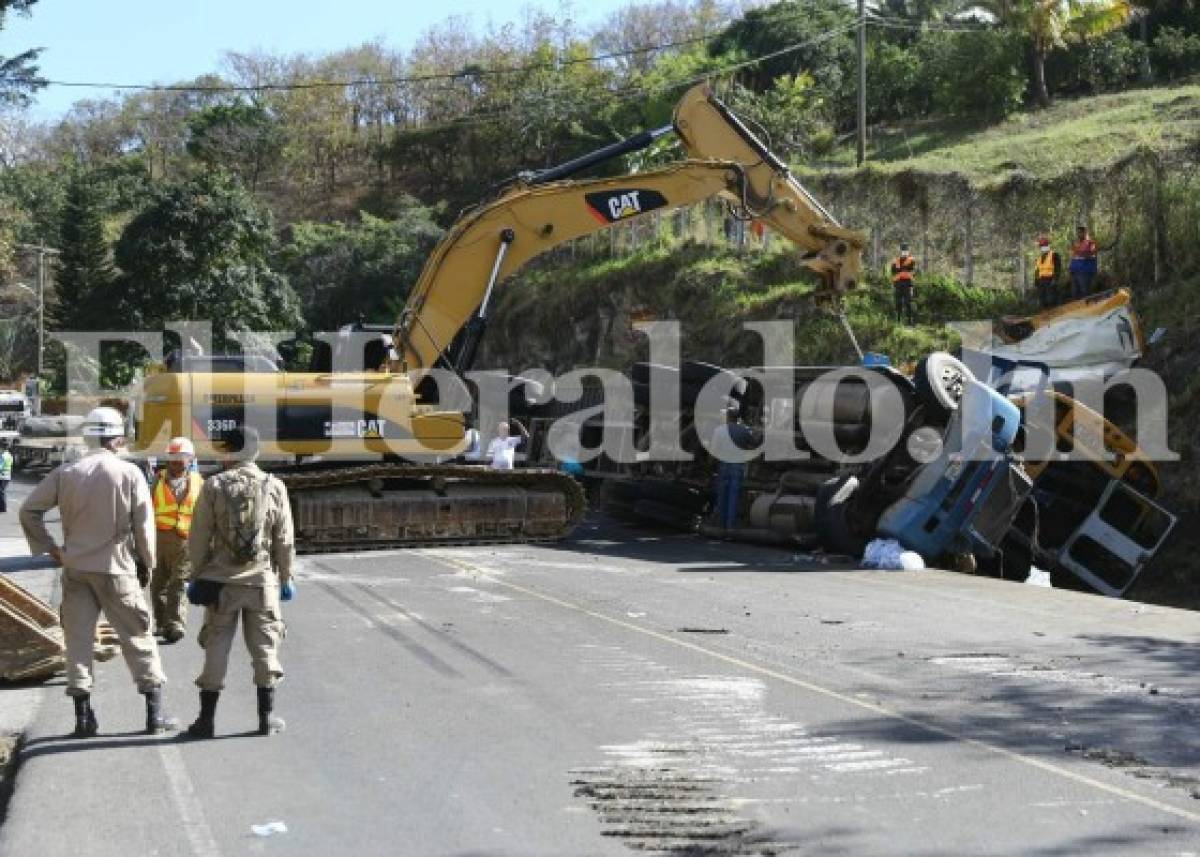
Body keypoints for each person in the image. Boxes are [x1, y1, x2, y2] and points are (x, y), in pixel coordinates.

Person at [19, 406, 175, 738]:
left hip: (76, 568)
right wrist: (147, 563)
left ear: (89, 436)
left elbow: (29, 511)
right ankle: (155, 715)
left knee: (77, 641)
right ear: (119, 437)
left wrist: (52, 548)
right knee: (137, 636)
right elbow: (144, 527)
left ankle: (84, 719)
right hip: (116, 568)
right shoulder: (129, 473)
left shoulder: (67, 472)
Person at [185, 426, 294, 738]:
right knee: (265, 648)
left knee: (216, 646)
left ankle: (206, 721)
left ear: (227, 452)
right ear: (257, 451)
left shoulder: (214, 486)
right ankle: (266, 719)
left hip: (221, 583)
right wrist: (285, 577)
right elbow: (284, 540)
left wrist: (198, 574)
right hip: (262, 583)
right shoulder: (274, 486)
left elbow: (199, 537)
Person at [150, 437, 203, 644]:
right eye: (172, 458)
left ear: (190, 460)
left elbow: (206, 513)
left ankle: (176, 624)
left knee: (179, 583)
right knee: (158, 585)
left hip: (186, 540)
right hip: (159, 538)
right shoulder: (157, 480)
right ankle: (162, 623)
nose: (176, 463)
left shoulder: (200, 482)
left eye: (181, 459)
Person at [711, 405, 755, 530]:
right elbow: (753, 445)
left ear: (727, 417)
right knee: (734, 496)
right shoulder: (744, 430)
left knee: (722, 494)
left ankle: (720, 524)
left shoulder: (719, 431)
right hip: (737, 465)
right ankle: (731, 525)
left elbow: (714, 450)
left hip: (723, 465)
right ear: (737, 418)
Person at [1068, 224, 1098, 301]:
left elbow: (1092, 254)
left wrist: (1080, 252)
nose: (1079, 234)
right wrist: (1070, 269)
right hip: (1075, 271)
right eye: (1078, 232)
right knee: (1074, 292)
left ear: (1085, 233)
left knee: (1085, 291)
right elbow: (1073, 257)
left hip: (1085, 271)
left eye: (1081, 232)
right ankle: (1077, 308)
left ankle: (1089, 306)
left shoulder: (1091, 243)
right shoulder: (1076, 244)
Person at [1033, 236, 1063, 309]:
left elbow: (1058, 268)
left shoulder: (1054, 255)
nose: (1040, 248)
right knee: (1042, 300)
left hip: (1050, 279)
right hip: (1041, 281)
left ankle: (1055, 314)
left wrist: (1055, 279)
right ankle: (1045, 314)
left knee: (1051, 300)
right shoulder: (1039, 258)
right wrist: (1036, 280)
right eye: (1040, 246)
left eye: (1041, 246)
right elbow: (1037, 270)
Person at [890, 243, 917, 325]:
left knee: (908, 303)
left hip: (907, 284)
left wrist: (900, 270)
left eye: (906, 250)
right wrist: (903, 270)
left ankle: (909, 321)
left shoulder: (911, 260)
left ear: (908, 251)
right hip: (898, 284)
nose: (904, 252)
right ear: (900, 251)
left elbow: (910, 269)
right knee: (898, 303)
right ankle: (898, 320)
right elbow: (893, 271)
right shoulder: (895, 261)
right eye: (903, 250)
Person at [0, 440, 12, 514]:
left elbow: (0, 466)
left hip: (2, 476)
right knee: (2, 491)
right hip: (7, 475)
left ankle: (2, 507)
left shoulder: (2, 455)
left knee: (1, 492)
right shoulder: (9, 455)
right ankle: (3, 507)